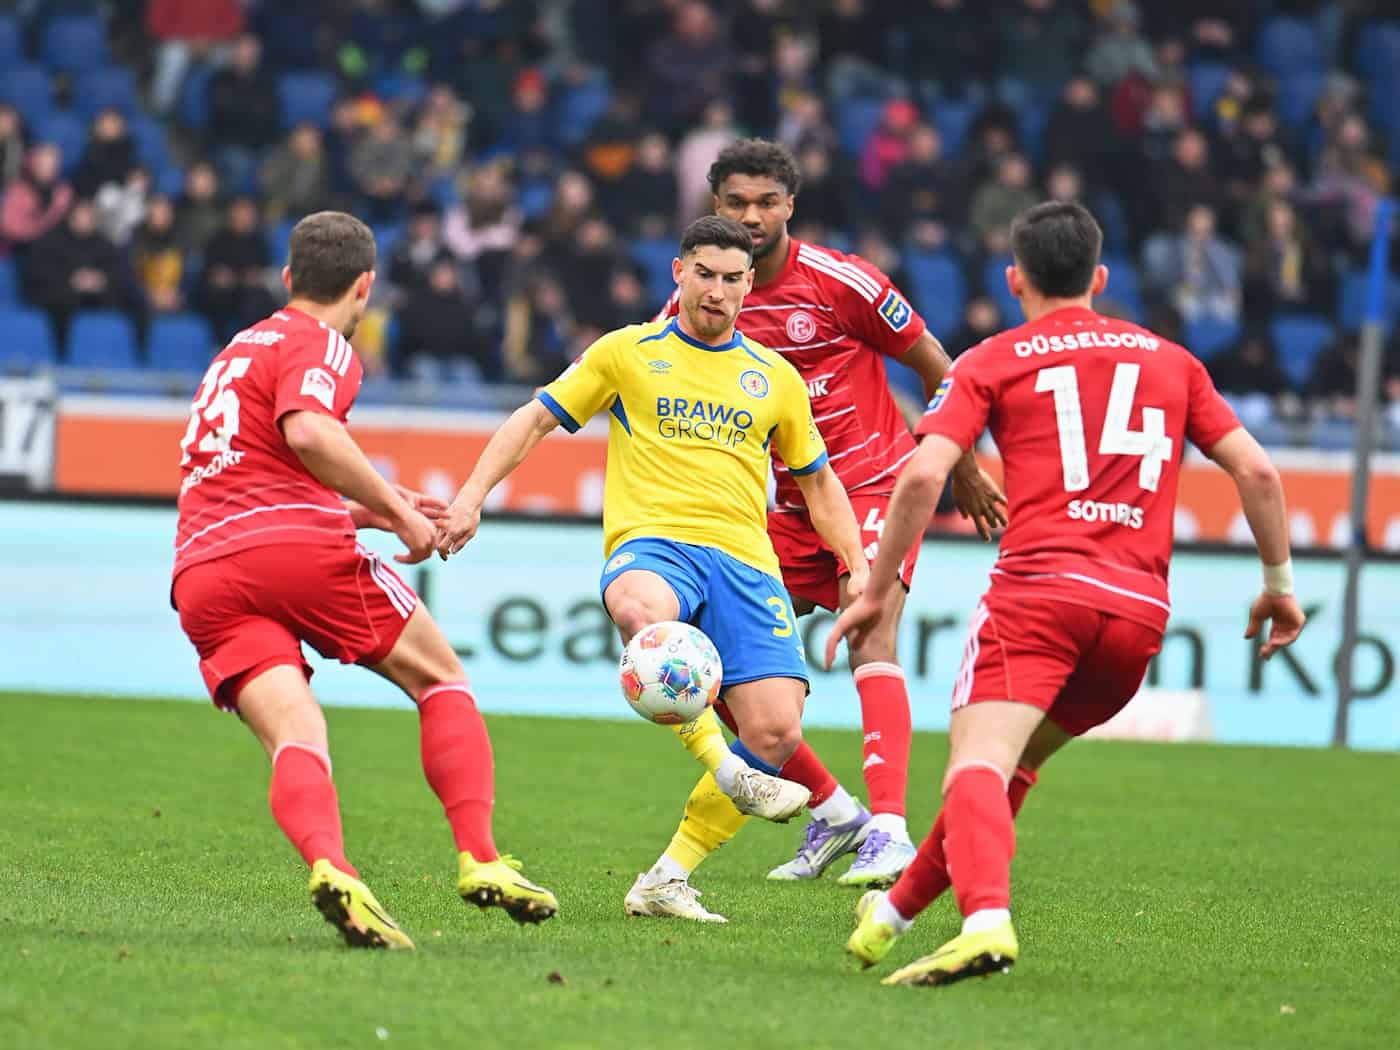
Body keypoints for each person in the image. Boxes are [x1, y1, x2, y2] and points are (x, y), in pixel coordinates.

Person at [836, 201, 1306, 986]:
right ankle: (892, 916)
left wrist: (878, 589)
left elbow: (923, 473)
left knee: (974, 768)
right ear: (1100, 277)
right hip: (1136, 617)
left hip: (1040, 594)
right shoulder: (1172, 361)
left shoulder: (993, 358)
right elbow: (1258, 471)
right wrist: (1279, 585)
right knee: (1005, 772)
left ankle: (986, 922)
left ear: (1014, 278)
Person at [437, 215, 865, 920]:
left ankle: (667, 879)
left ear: (749, 284)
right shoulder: (626, 353)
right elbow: (534, 419)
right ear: (679, 272)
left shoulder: (774, 378)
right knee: (642, 612)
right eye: (705, 274)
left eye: (732, 279)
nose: (718, 292)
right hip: (656, 543)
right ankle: (725, 768)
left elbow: (819, 484)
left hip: (747, 564)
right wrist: (470, 499)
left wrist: (856, 564)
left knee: (776, 733)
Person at [171, 211, 557, 951]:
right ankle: (480, 856)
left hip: (204, 568)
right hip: (295, 551)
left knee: (297, 732)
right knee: (441, 678)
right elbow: (309, 431)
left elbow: (252, 476)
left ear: (288, 278)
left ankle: (333, 868)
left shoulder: (236, 349)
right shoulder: (322, 342)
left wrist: (369, 512)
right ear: (364, 287)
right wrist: (398, 512)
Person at [642, 140, 1006, 916]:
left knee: (871, 634)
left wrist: (963, 464)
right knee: (730, 678)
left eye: (765, 202)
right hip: (773, 512)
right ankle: (835, 814)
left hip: (868, 484)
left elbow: (940, 364)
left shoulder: (842, 282)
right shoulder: (694, 303)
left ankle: (891, 831)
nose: (750, 216)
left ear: (789, 207)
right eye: (735, 202)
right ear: (713, 207)